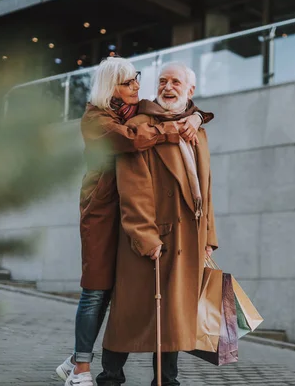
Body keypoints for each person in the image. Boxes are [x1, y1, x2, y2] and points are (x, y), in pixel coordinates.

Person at [55, 57, 210, 386]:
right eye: (129, 83)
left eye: (137, 80)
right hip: (105, 214)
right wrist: (145, 233)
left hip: (154, 226)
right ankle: (84, 366)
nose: (139, 86)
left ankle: (97, 365)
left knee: (145, 302)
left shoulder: (145, 112)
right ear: (112, 88)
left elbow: (204, 186)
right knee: (100, 292)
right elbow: (134, 143)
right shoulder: (102, 119)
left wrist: (195, 116)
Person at [98, 62, 218, 386]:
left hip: (187, 240)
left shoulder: (197, 130)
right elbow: (133, 188)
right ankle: (110, 377)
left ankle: (167, 381)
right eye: (162, 81)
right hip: (153, 238)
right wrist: (145, 237)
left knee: (174, 317)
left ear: (189, 90)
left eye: (175, 82)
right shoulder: (142, 126)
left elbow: (205, 191)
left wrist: (208, 236)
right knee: (129, 313)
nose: (168, 87)